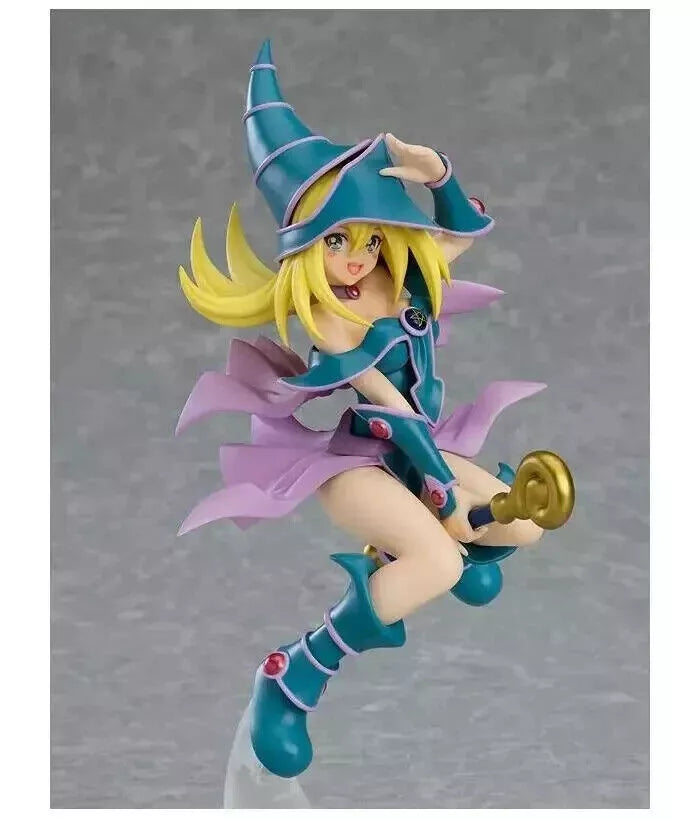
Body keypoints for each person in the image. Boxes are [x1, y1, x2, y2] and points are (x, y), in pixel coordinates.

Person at [177, 40, 546, 778]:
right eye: (338, 237)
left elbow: (463, 230)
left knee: (526, 526)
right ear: (307, 243)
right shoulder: (330, 314)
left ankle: (426, 547)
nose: (357, 255)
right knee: (440, 559)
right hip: (361, 461)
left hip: (416, 452)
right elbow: (389, 407)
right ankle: (293, 674)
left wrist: (439, 176)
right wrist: (442, 486)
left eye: (370, 237)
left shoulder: (399, 281)